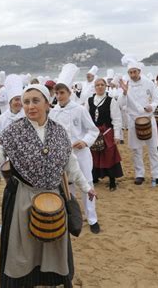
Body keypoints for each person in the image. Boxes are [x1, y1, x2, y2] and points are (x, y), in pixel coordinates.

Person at [0, 83, 97, 288]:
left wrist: (87, 187)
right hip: (22, 198)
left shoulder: (59, 131)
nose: (30, 106)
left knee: (53, 245)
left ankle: (52, 280)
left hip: (54, 197)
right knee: (23, 246)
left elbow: (70, 164)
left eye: (35, 101)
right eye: (26, 102)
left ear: (47, 104)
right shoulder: (13, 130)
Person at [50, 63, 101, 233]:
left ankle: (92, 218)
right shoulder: (53, 112)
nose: (59, 96)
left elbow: (93, 130)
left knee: (87, 183)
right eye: (56, 93)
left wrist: (85, 141)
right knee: (67, 186)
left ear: (69, 92)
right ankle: (70, 216)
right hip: (63, 156)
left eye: (62, 92)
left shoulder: (79, 109)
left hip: (81, 154)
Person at [118, 57, 158, 186]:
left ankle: (157, 175)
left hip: (149, 119)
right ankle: (140, 174)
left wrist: (152, 106)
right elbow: (121, 104)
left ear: (139, 71)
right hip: (133, 120)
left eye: (135, 72)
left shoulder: (149, 83)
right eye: (130, 72)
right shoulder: (125, 85)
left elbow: (156, 99)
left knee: (153, 149)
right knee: (136, 149)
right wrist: (124, 93)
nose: (133, 75)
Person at [87, 78, 124, 189]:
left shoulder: (111, 101)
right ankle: (95, 177)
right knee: (94, 154)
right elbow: (86, 117)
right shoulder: (89, 100)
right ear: (95, 87)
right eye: (97, 85)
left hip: (107, 132)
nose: (100, 87)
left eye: (102, 84)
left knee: (109, 155)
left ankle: (112, 180)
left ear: (105, 86)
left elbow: (117, 119)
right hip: (93, 132)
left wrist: (117, 135)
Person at [0, 74, 25, 138]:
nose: (19, 102)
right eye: (16, 99)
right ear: (10, 102)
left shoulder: (28, 116)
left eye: (21, 99)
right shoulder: (1, 119)